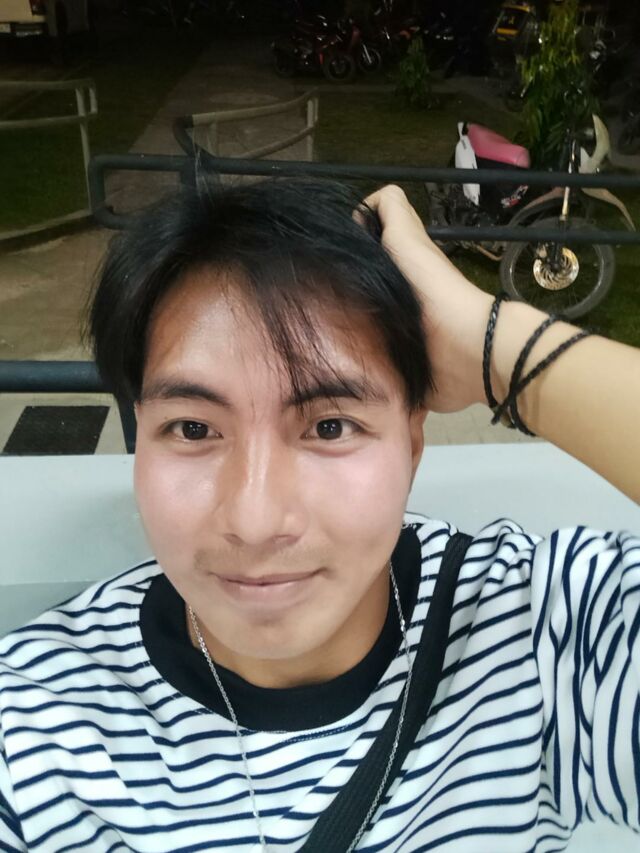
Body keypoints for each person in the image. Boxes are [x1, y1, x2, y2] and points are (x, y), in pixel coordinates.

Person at [0, 178, 638, 851]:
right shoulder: (32, 733)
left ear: (412, 442)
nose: (255, 521)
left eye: (330, 426)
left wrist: (493, 349)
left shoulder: (540, 637)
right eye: (193, 428)